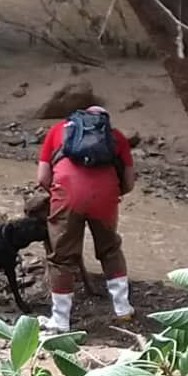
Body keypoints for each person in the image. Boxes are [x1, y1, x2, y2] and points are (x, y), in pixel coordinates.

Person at [36, 105, 135, 332]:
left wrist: (57, 194)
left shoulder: (58, 130)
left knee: (62, 258)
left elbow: (42, 176)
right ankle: (123, 309)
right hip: (105, 196)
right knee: (110, 249)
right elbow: (129, 183)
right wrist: (111, 194)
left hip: (66, 194)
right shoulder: (116, 137)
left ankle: (60, 320)